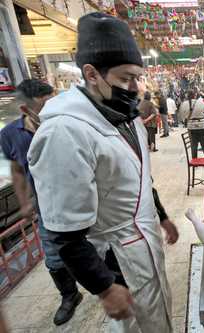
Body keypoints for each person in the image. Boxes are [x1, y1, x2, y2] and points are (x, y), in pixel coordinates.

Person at [27, 13, 178, 333]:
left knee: (158, 317)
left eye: (138, 77)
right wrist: (104, 287)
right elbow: (64, 233)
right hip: (117, 260)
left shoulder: (126, 117)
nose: (135, 88)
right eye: (125, 78)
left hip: (146, 244)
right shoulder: (65, 132)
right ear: (91, 74)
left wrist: (162, 216)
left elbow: (140, 178)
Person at [0, 79, 84, 326]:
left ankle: (109, 283)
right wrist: (25, 202)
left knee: (97, 244)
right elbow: (16, 170)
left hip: (79, 195)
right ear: (26, 110)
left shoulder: (69, 124)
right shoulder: (9, 135)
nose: (54, 108)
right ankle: (70, 295)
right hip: (45, 204)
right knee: (54, 255)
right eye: (46, 104)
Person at [187, 91, 204, 158]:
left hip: (191, 127)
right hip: (202, 126)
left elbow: (184, 116)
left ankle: (194, 161)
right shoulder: (201, 102)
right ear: (195, 95)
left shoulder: (186, 104)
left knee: (194, 145)